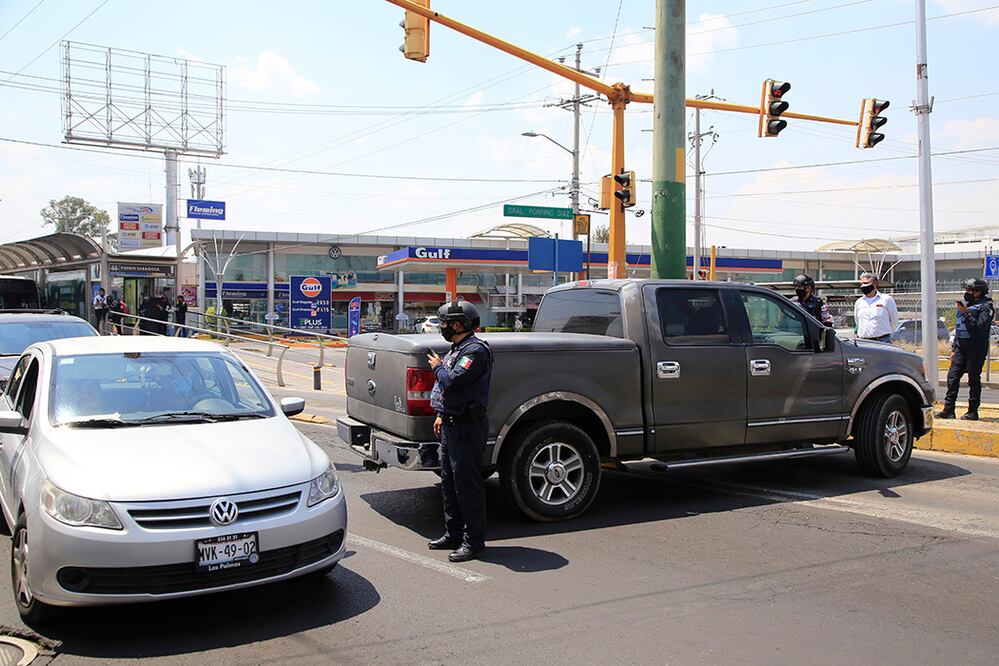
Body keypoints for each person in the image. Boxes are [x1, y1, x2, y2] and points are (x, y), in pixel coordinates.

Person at [426, 300, 493, 563]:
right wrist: (442, 415)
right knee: (449, 484)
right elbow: (451, 392)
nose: (442, 328)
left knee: (468, 486)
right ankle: (453, 534)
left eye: (445, 323)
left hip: (468, 426)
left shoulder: (475, 351)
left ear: (458, 324)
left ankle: (473, 542)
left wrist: (437, 367)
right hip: (452, 425)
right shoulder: (458, 349)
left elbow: (452, 381)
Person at [937, 278, 996, 421]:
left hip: (976, 347)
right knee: (952, 376)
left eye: (970, 290)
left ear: (979, 292)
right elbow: (959, 329)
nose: (967, 293)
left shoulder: (986, 307)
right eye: (967, 290)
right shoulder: (966, 305)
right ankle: (948, 410)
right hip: (960, 347)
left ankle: (973, 411)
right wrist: (953, 348)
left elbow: (978, 326)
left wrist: (966, 313)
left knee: (973, 379)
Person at [854, 272, 899, 343]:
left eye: (866, 283)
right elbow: (857, 321)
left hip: (882, 341)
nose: (863, 286)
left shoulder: (886, 299)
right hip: (863, 342)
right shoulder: (859, 302)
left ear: (875, 284)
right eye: (861, 284)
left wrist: (887, 333)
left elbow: (895, 320)